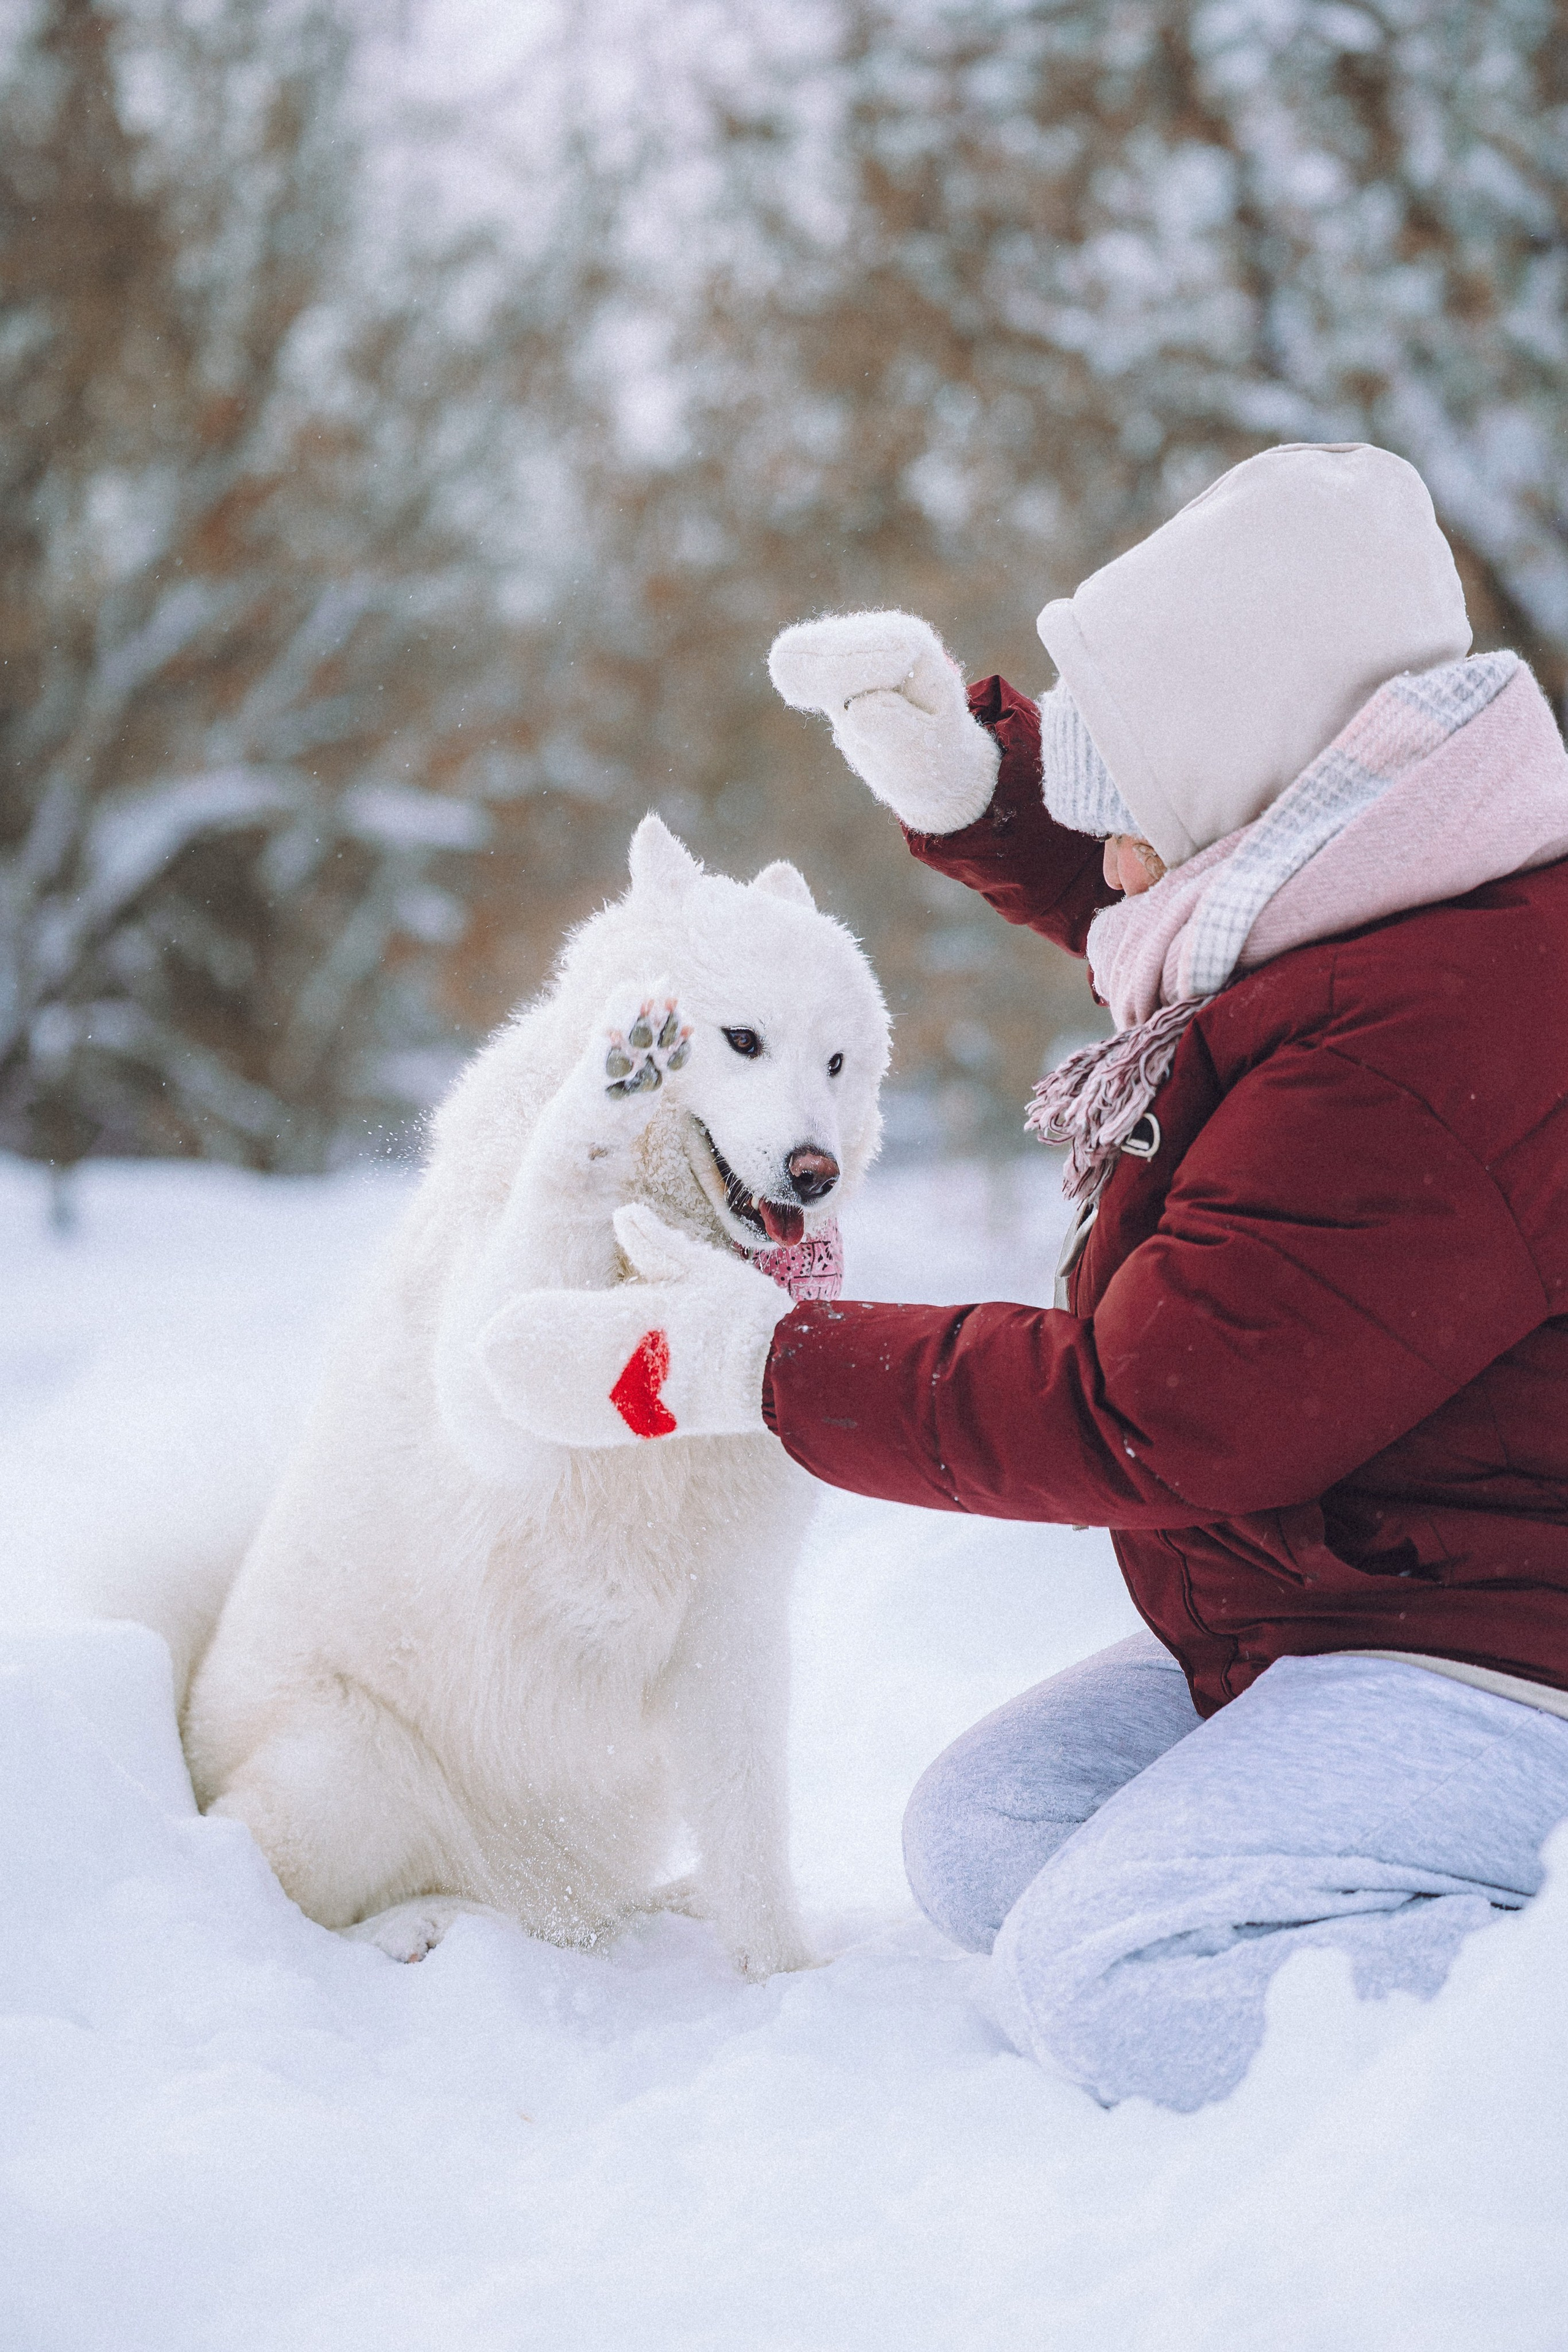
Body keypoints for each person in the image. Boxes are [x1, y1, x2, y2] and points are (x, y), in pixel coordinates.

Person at [513, 443, 1568, 2109]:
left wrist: (764, 1363)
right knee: (990, 1842)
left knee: (1116, 1975)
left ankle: (1523, 2019)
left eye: (1120, 797)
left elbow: (1151, 1410)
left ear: (1255, 776)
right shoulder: (1401, 898)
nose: (1112, 849)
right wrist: (976, 788)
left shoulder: (1422, 1048)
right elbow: (1192, 885)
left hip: (1504, 1657)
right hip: (1344, 1593)